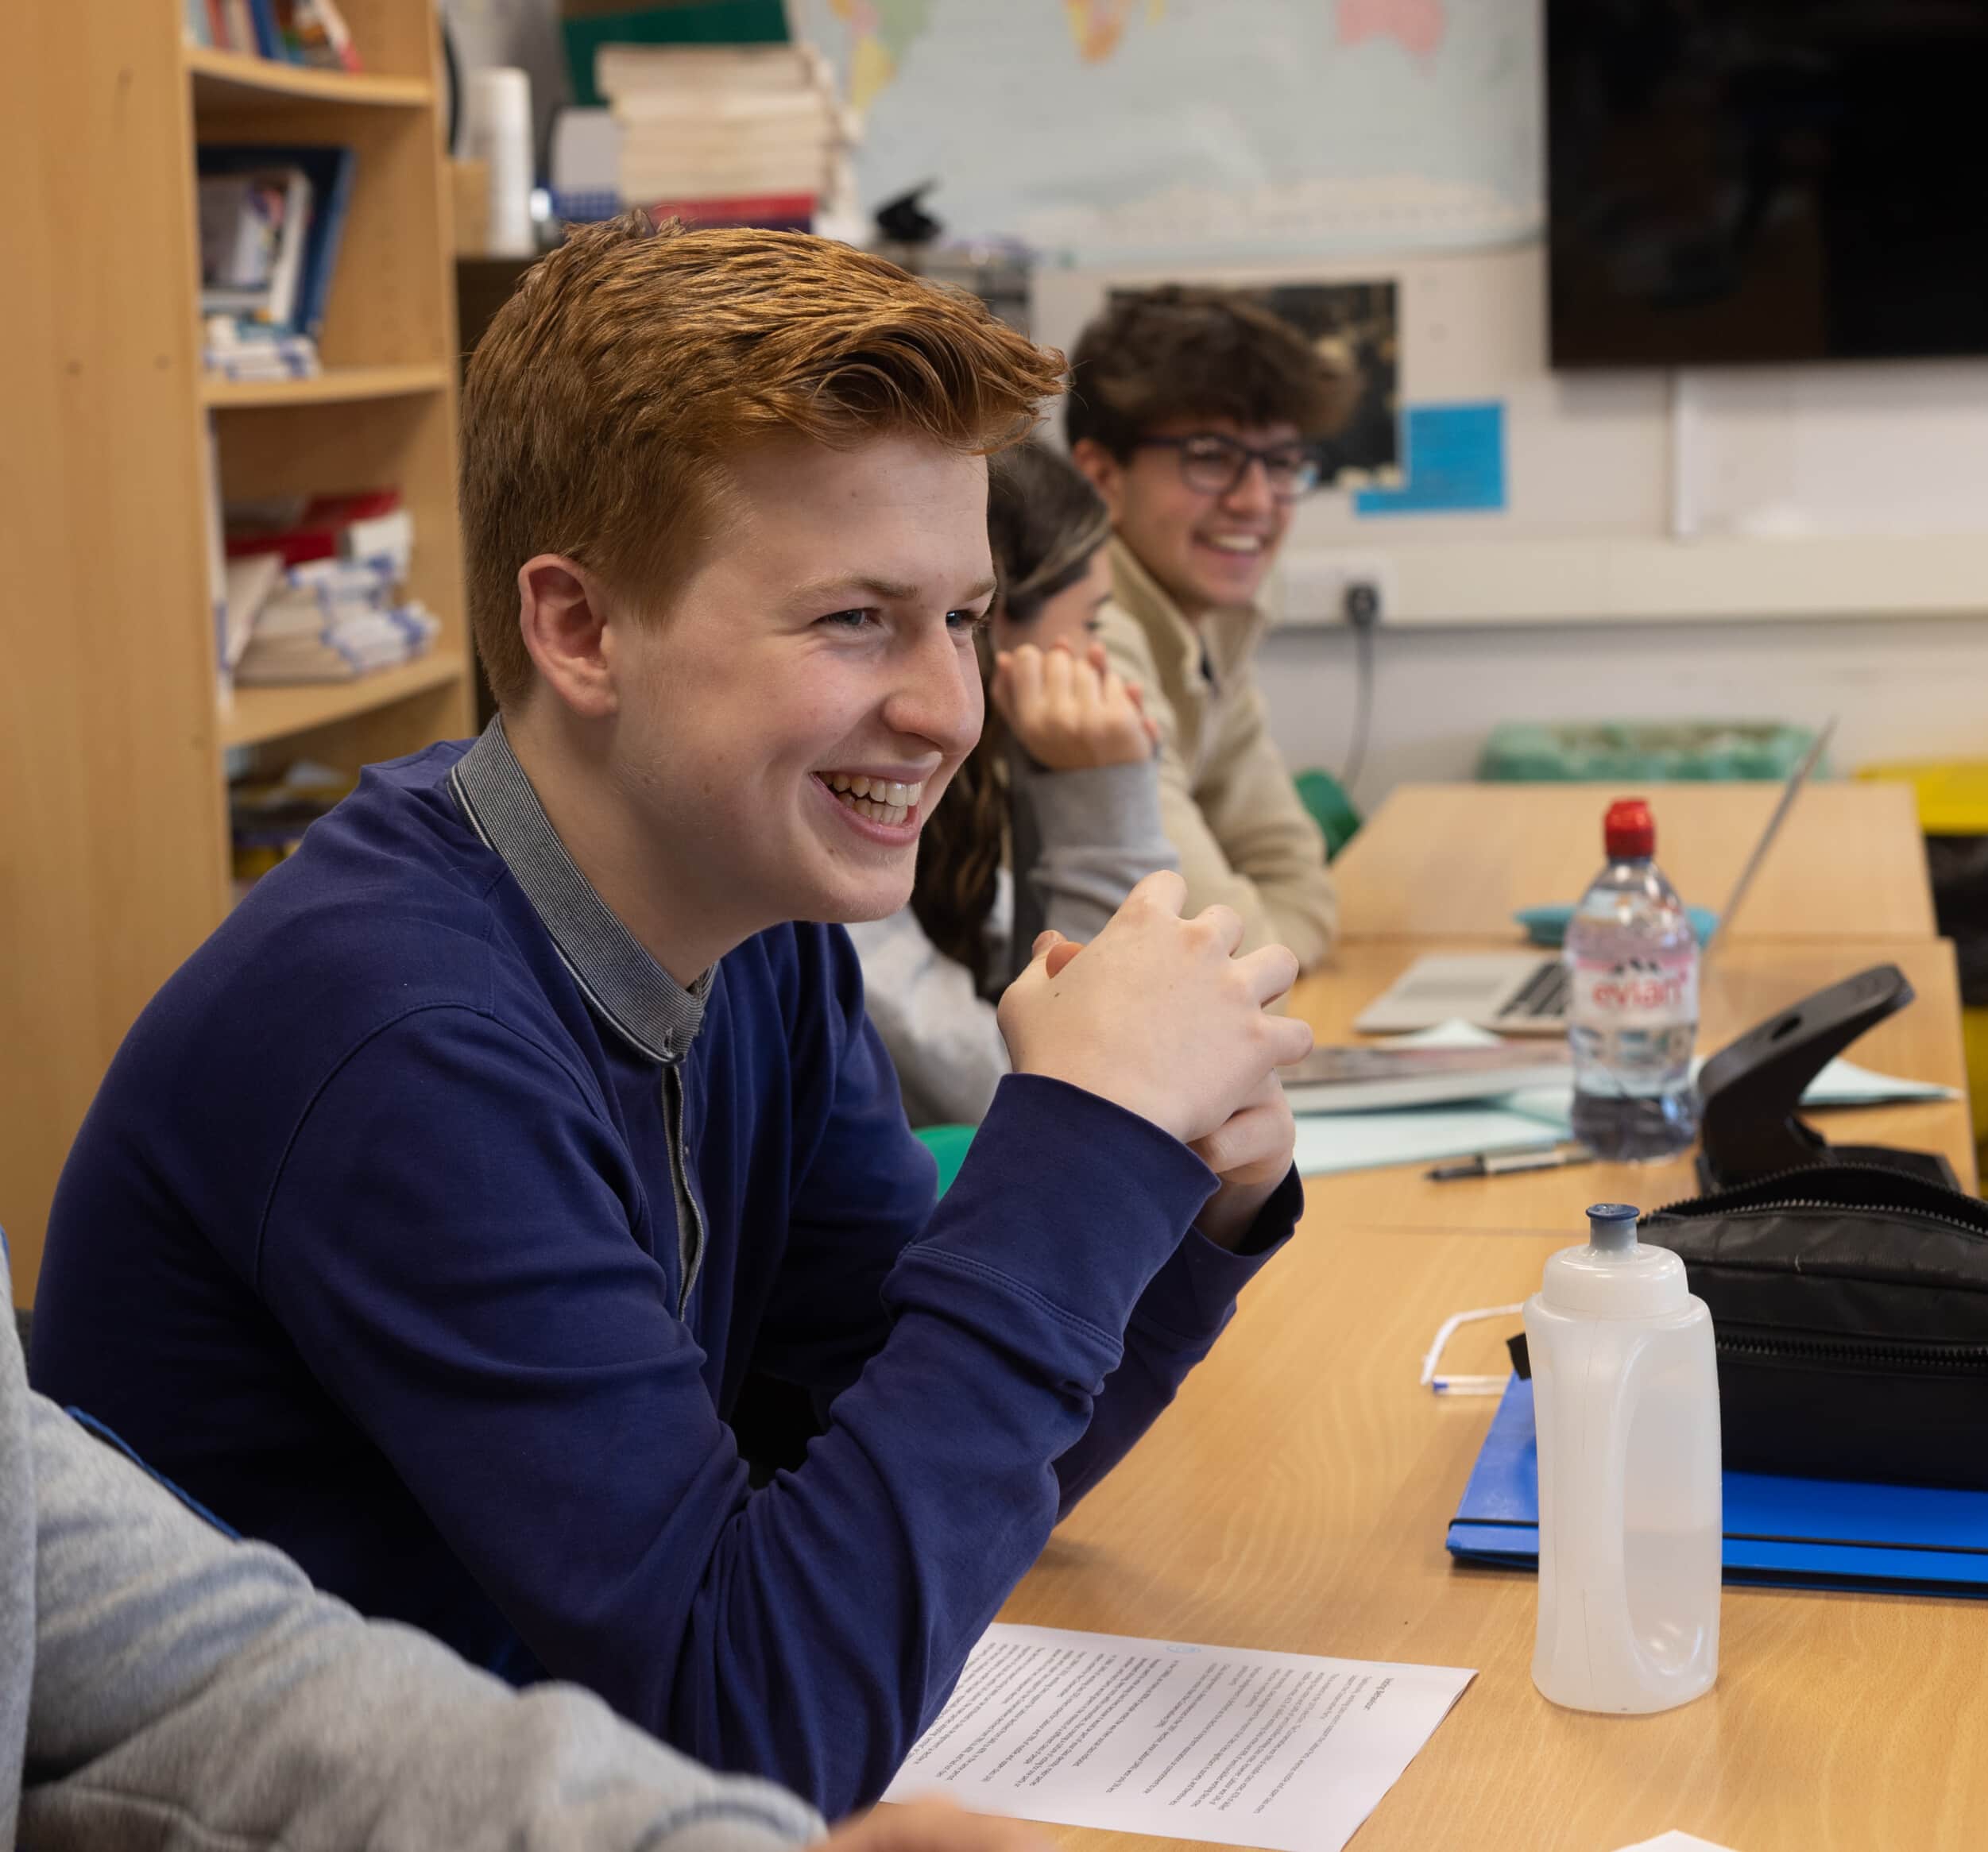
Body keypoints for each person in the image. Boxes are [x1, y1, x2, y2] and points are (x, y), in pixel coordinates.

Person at [31, 216, 1312, 1819]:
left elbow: (901, 1471)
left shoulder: (754, 920)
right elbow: (752, 1711)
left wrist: (1175, 1214)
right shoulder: (395, 1034)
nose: (947, 707)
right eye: (855, 617)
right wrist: (1080, 1155)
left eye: (964, 617)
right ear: (578, 629)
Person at [0, 1253, 1045, 1852]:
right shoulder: (398, 1030)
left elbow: (198, 1683)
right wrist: (1099, 1137)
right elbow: (755, 1718)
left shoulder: (776, 974)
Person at [845, 439, 1175, 1125]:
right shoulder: (834, 799)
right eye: (1089, 625)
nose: (1098, 660)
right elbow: (1088, 1093)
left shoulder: (966, 794)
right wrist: (1101, 797)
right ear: (1003, 631)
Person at [1067, 284, 1357, 970]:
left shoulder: (1209, 622)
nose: (1256, 501)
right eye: (1211, 456)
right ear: (1103, 474)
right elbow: (1228, 960)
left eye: (1281, 462)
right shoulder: (1086, 637)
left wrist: (1269, 949)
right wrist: (1272, 952)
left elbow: (1299, 884)